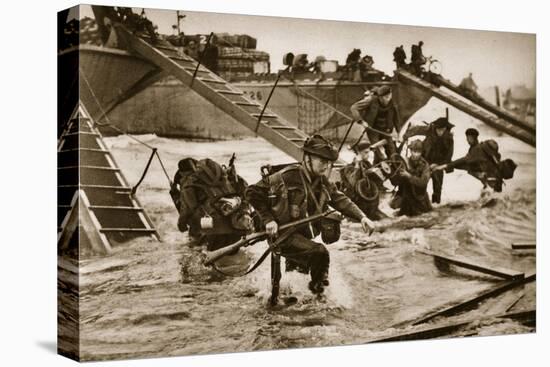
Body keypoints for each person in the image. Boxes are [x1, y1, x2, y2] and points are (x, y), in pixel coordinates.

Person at [245, 135, 373, 295]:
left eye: (328, 162)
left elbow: (339, 199)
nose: (326, 166)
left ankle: (293, 299)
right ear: (307, 158)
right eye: (322, 161)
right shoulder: (287, 176)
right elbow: (252, 192)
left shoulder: (321, 181)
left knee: (297, 277)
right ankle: (320, 295)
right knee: (320, 252)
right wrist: (268, 219)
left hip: (302, 237)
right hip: (283, 235)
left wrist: (362, 217)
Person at [177, 158, 254, 250]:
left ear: (182, 173)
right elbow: (247, 194)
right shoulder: (226, 176)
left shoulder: (189, 185)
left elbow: (187, 210)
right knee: (235, 259)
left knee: (197, 255)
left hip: (211, 232)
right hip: (237, 226)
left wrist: (181, 225)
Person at [434, 139, 517, 193]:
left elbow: (463, 161)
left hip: (488, 178)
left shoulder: (481, 157)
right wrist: (444, 165)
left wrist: (445, 165)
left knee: (490, 193)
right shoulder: (494, 158)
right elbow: (463, 163)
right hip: (489, 177)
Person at [403, 117, 455, 203]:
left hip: (438, 163)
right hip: (425, 160)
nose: (440, 132)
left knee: (437, 185)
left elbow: (448, 156)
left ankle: (436, 202)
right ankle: (420, 201)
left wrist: (439, 165)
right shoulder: (430, 130)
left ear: (446, 129)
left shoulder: (449, 138)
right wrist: (406, 135)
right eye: (438, 129)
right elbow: (417, 129)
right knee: (421, 183)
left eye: (442, 129)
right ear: (436, 127)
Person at [340, 140, 389, 220]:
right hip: (357, 204)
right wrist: (357, 165)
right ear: (358, 153)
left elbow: (378, 184)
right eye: (365, 152)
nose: (368, 155)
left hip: (370, 203)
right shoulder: (349, 167)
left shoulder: (368, 165)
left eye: (369, 152)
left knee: (385, 219)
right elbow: (353, 182)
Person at [350, 85, 401, 162]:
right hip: (373, 129)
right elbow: (354, 108)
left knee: (392, 152)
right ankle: (378, 168)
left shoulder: (393, 104)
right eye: (385, 97)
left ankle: (393, 169)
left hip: (386, 131)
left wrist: (399, 133)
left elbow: (396, 120)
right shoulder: (371, 100)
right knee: (378, 152)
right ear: (380, 97)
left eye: (389, 96)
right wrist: (361, 121)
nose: (388, 99)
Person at [390, 139, 432, 216]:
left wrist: (409, 176)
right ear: (410, 151)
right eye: (414, 151)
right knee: (393, 206)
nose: (416, 154)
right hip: (406, 196)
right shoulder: (405, 162)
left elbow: (423, 182)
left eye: (418, 152)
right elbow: (396, 182)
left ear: (421, 152)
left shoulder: (425, 165)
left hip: (419, 197)